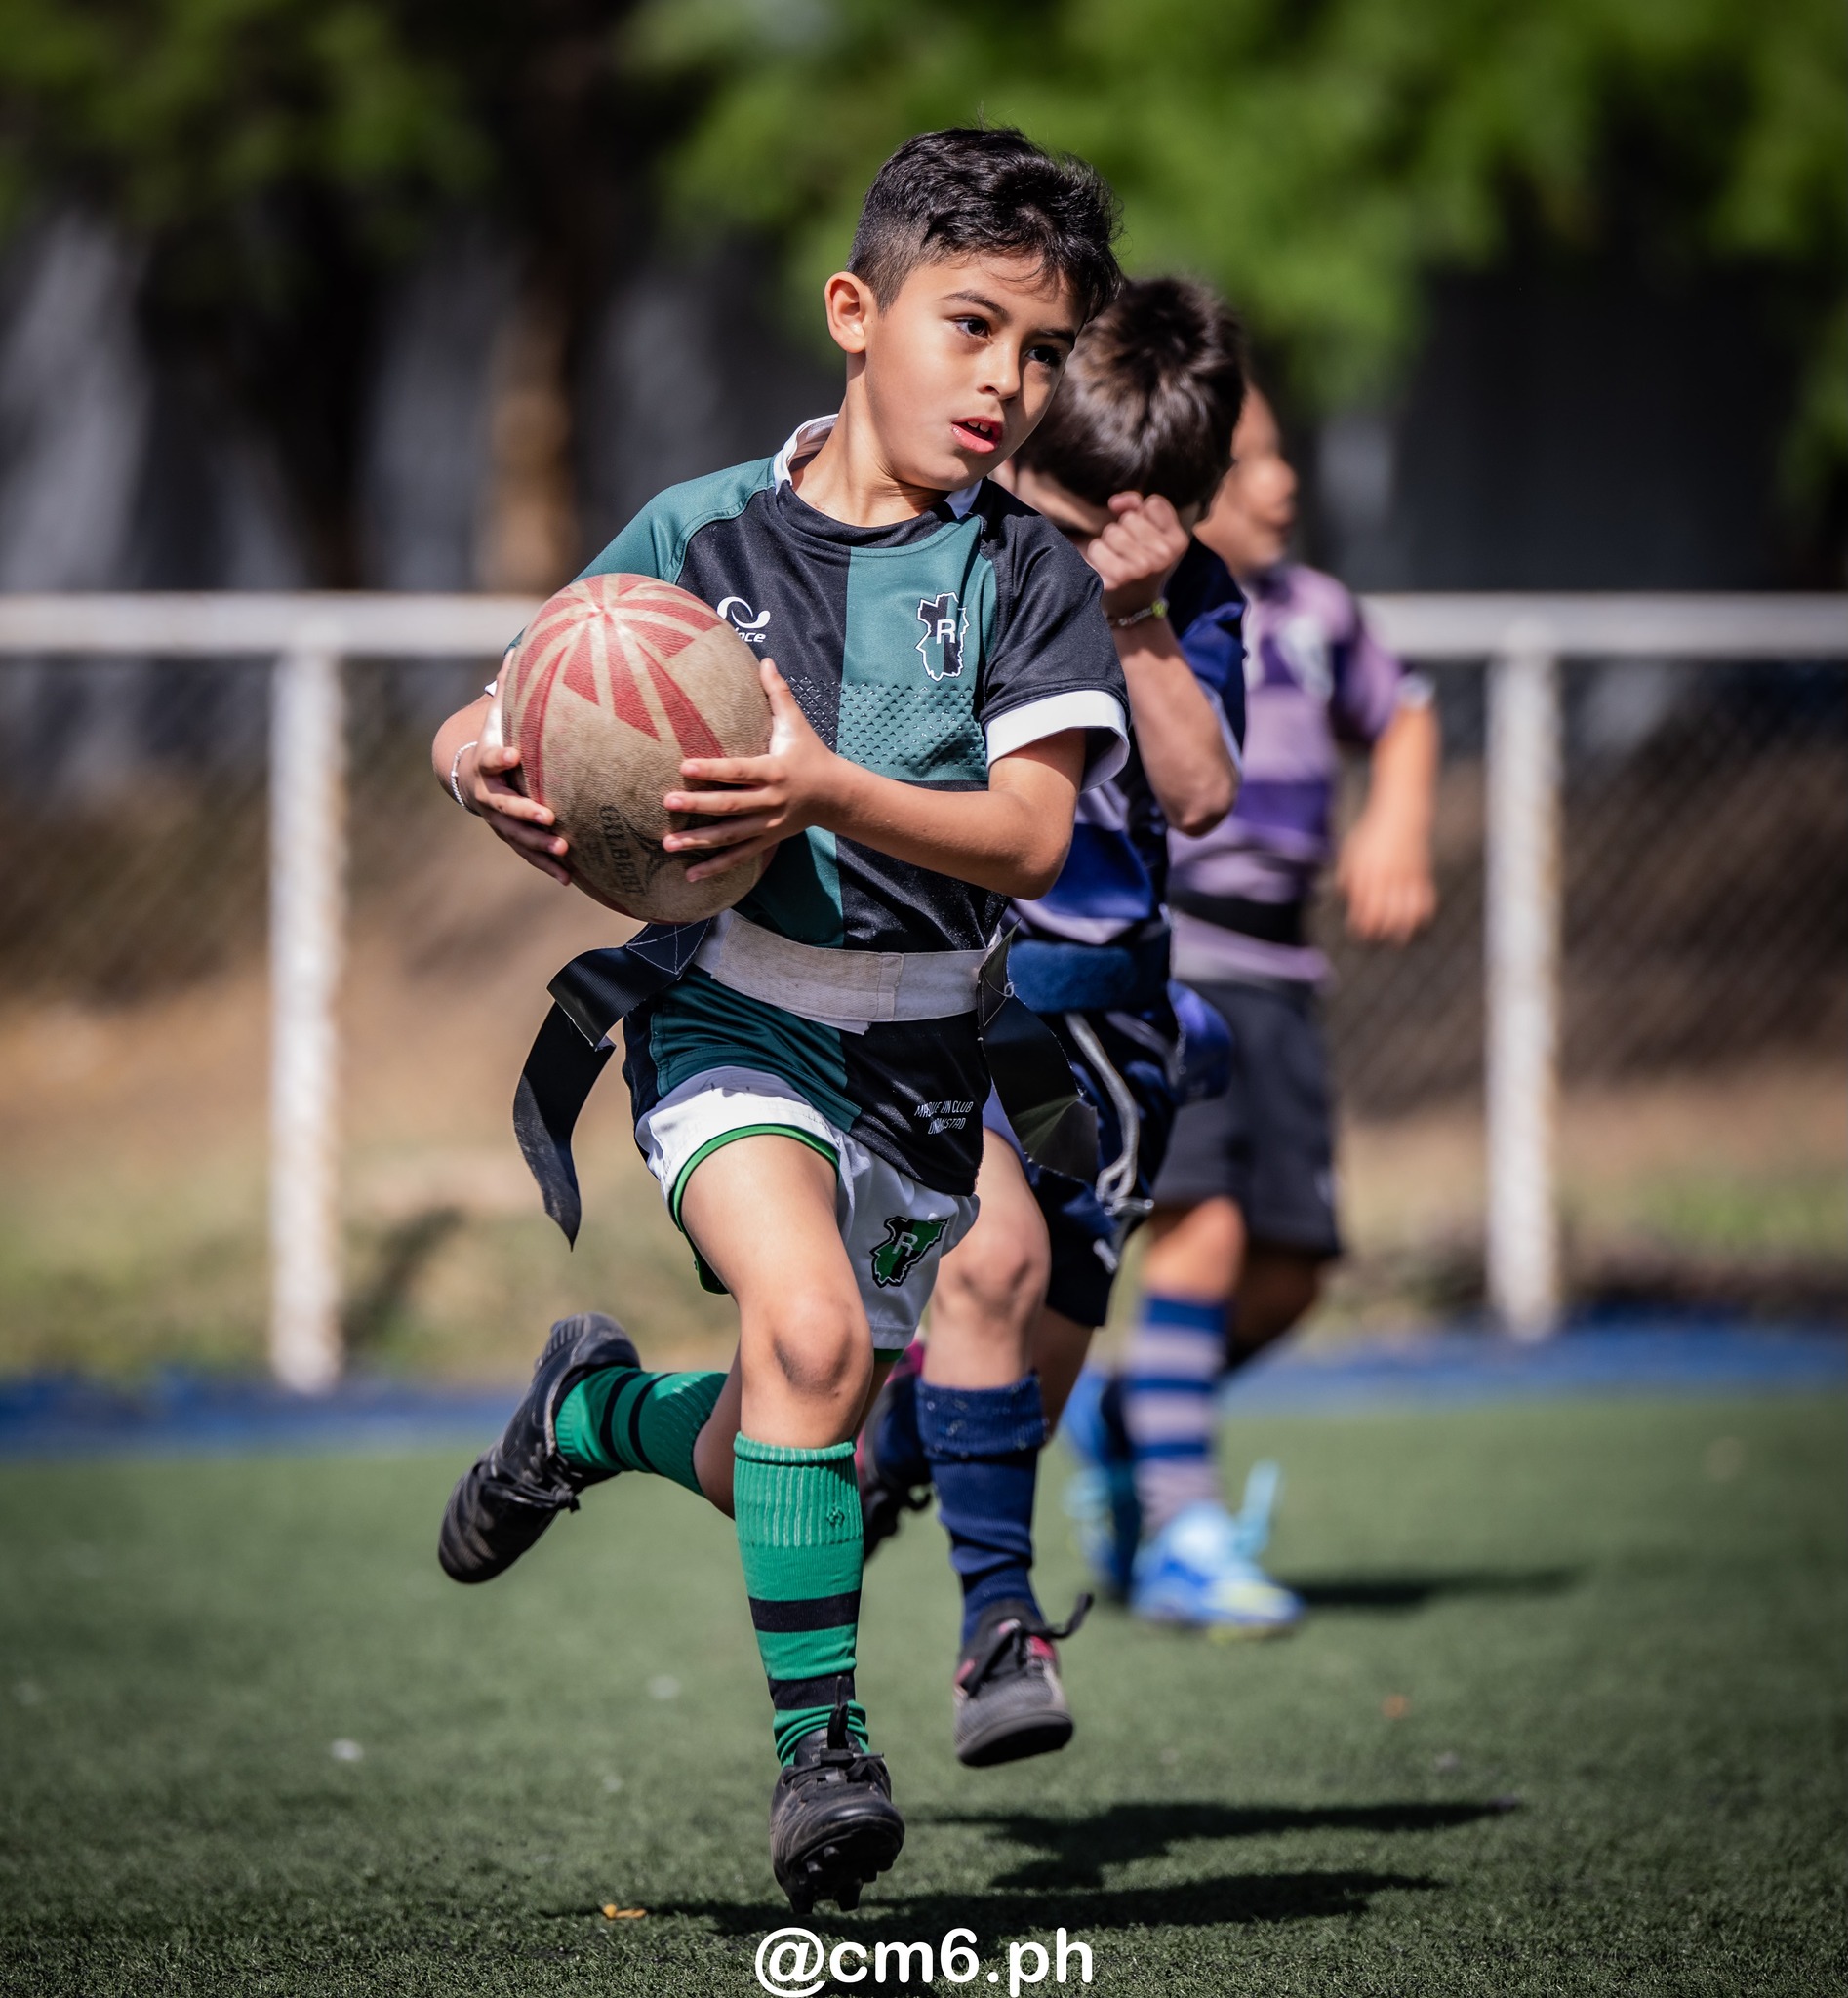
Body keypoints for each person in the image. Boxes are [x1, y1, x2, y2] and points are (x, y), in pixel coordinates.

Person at [425, 129, 1129, 1915]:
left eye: (1042, 355)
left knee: (781, 1422)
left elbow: (1034, 837)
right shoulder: (697, 532)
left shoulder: (1022, 576)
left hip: (922, 1056)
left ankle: (586, 1420)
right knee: (809, 1329)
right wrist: (475, 761)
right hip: (723, 1015)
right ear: (853, 311)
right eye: (969, 327)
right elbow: (511, 695)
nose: (1004, 382)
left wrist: (818, 784)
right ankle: (822, 1751)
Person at [854, 278, 1248, 1764]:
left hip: (1115, 1044)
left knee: (1026, 1380)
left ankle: (911, 1448)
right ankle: (996, 1634)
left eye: (1108, 534)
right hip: (967, 1014)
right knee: (974, 1280)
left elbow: (1198, 794)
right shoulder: (946, 549)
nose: (1066, 557)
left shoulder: (1187, 602)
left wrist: (1136, 616)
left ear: (1167, 515)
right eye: (1048, 512)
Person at [1074, 384, 1440, 1632]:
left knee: (1290, 1273)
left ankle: (1128, 1415)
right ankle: (1181, 1526)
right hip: (1177, 960)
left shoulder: (1322, 612)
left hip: (1287, 975)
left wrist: (1394, 814)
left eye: (1282, 455)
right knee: (1209, 1232)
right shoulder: (1131, 612)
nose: (1279, 483)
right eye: (1248, 460)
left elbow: (1405, 712)